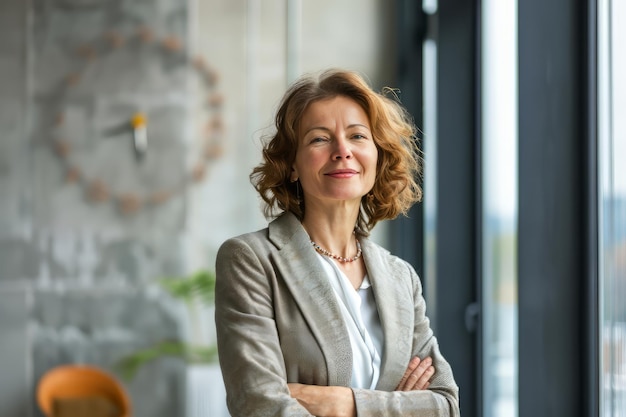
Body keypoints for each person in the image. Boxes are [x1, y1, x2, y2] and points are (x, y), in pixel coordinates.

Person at [215, 68, 460, 417]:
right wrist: (400, 407)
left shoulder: (401, 278)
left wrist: (345, 405)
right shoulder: (251, 260)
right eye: (319, 139)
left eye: (358, 136)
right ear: (293, 165)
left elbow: (445, 404)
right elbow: (260, 405)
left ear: (378, 156)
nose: (342, 150)